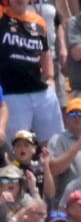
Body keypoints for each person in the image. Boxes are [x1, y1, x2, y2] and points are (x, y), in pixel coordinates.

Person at [0, 0, 64, 143]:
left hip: (41, 93)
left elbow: (45, 52)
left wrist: (50, 77)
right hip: (12, 94)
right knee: (14, 146)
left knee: (53, 143)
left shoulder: (39, 21)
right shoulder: (2, 15)